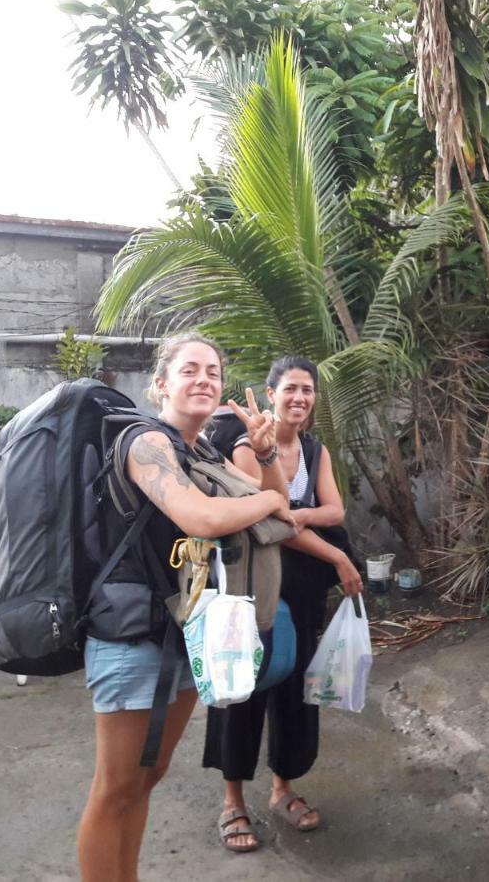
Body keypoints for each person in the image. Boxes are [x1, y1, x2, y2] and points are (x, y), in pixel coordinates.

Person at [77, 333, 297, 882]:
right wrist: (268, 498)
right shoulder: (143, 444)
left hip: (180, 634)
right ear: (160, 384)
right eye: (189, 370)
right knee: (115, 789)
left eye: (213, 372)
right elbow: (203, 516)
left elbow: (277, 509)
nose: (204, 379)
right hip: (130, 638)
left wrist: (266, 455)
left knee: (146, 778)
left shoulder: (202, 450)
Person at [202, 355, 363, 853]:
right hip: (252, 590)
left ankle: (282, 789)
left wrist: (299, 515)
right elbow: (267, 525)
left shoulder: (316, 450)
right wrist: (336, 553)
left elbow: (334, 508)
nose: (300, 398)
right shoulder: (251, 445)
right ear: (271, 393)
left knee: (296, 691)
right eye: (290, 388)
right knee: (240, 688)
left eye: (308, 390)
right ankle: (233, 800)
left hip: (303, 591)